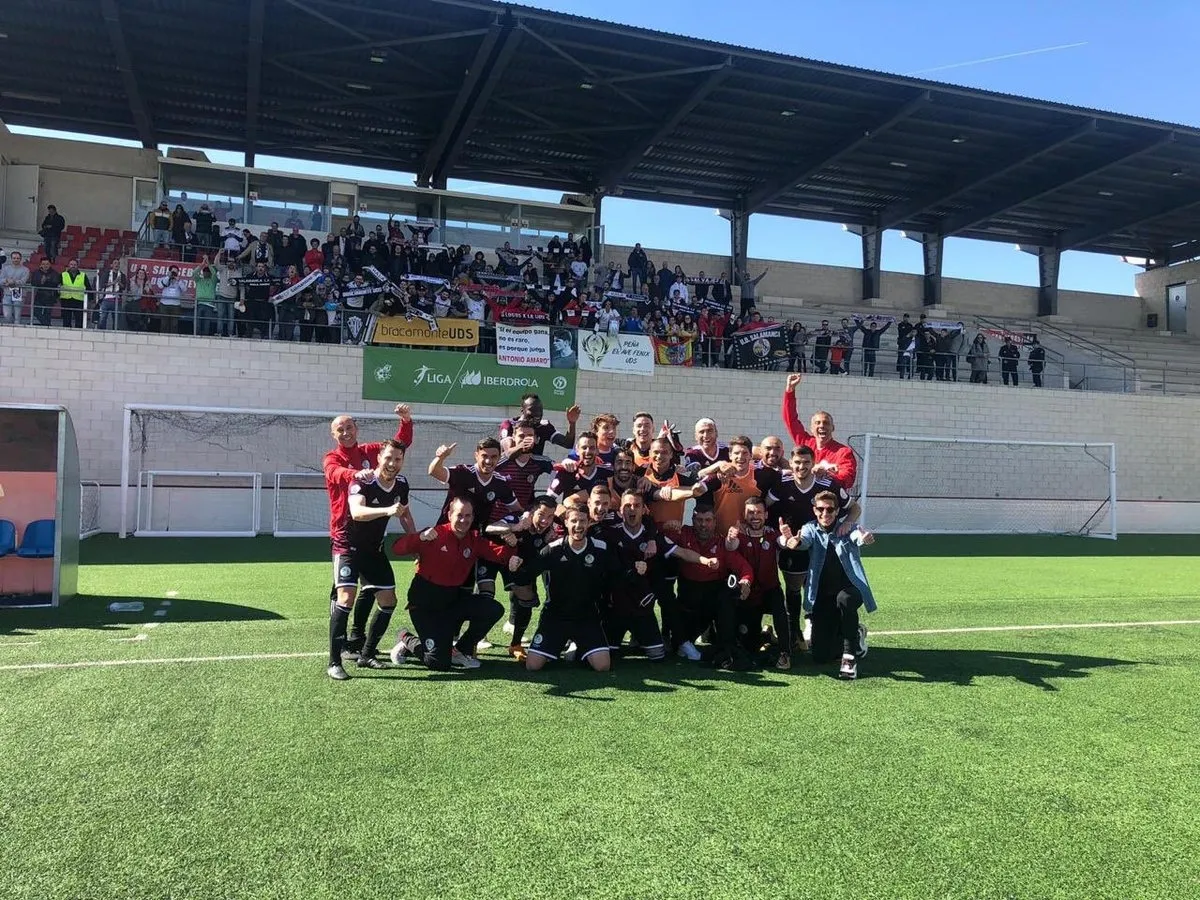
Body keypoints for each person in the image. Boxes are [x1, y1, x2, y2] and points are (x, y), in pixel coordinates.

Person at [322, 405, 414, 660]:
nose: (345, 432)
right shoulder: (333, 458)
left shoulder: (368, 452)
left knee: (370, 589)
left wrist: (406, 421)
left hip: (373, 536)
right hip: (345, 531)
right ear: (334, 434)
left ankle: (358, 641)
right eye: (340, 429)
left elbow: (398, 445)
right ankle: (338, 647)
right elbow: (335, 473)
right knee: (343, 593)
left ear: (356, 429)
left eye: (349, 427)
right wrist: (356, 473)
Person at [388, 497, 516, 671]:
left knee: (494, 609)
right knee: (437, 663)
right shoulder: (435, 534)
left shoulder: (474, 539)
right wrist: (419, 537)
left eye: (468, 515)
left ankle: (459, 650)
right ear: (449, 515)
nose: (464, 520)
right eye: (460, 515)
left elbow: (499, 555)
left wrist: (511, 546)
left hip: (452, 602)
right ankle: (406, 638)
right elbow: (396, 548)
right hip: (425, 606)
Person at [780, 491, 877, 680]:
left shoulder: (847, 528)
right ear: (814, 510)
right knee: (821, 656)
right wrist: (793, 541)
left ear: (837, 510)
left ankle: (849, 657)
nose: (825, 513)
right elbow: (803, 541)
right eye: (820, 509)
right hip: (823, 596)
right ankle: (855, 633)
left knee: (845, 599)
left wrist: (864, 538)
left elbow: (858, 535)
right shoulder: (810, 528)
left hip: (850, 589)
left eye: (830, 509)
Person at [671, 506, 753, 665]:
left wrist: (746, 582)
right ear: (693, 521)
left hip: (713, 600)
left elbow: (744, 568)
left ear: (715, 522)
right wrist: (667, 527)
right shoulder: (682, 534)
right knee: (678, 645)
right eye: (699, 520)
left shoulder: (722, 543)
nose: (703, 524)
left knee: (729, 594)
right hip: (689, 601)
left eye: (708, 520)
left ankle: (726, 643)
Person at [485, 495, 559, 660]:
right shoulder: (518, 519)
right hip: (492, 558)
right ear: (531, 512)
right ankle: (473, 643)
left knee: (527, 599)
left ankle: (515, 645)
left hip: (519, 563)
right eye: (541, 514)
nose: (545, 520)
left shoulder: (550, 529)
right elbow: (489, 528)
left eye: (550, 516)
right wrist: (512, 528)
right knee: (485, 594)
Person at [724, 496, 793, 669]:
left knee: (780, 609)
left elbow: (783, 543)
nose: (755, 516)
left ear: (766, 514)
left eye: (759, 512)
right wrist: (730, 538)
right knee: (750, 644)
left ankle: (785, 652)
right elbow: (731, 546)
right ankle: (765, 635)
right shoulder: (738, 533)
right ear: (744, 515)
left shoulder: (771, 533)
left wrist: (788, 538)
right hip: (748, 594)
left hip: (770, 591)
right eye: (751, 512)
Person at [780, 374, 858, 489]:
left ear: (833, 428)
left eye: (826, 423)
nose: (822, 426)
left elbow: (848, 479)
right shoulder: (805, 443)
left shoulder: (843, 452)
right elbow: (790, 420)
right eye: (817, 423)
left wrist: (827, 474)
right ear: (811, 428)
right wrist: (790, 391)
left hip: (827, 503)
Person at [699, 435, 780, 538]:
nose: (740, 457)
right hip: (721, 537)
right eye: (736, 453)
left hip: (748, 539)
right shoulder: (721, 474)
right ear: (730, 455)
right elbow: (698, 477)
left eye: (745, 453)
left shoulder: (761, 475)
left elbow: (784, 473)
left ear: (751, 455)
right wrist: (717, 465)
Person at [498, 393, 580, 456]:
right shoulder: (509, 425)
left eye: (540, 410)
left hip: (531, 474)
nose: (537, 413)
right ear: (522, 410)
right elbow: (508, 454)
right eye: (532, 409)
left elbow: (567, 443)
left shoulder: (543, 427)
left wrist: (572, 423)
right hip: (508, 474)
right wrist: (523, 444)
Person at [57, 258, 89, 329]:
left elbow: (88, 288)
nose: (73, 266)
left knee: (79, 320)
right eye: (71, 264)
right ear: (68, 265)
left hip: (79, 300)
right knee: (66, 320)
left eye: (75, 264)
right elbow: (57, 285)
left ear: (78, 266)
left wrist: (90, 300)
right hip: (66, 300)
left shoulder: (83, 275)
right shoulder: (63, 275)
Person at [0, 251, 29, 325]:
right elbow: (0, 280)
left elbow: (23, 281)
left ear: (21, 259)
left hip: (19, 294)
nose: (16, 260)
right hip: (7, 293)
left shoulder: (25, 270)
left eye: (18, 258)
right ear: (11, 259)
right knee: (7, 315)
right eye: (14, 258)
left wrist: (13, 282)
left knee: (17, 316)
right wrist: (6, 280)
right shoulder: (5, 269)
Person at [28, 257, 59, 326]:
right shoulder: (36, 272)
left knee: (47, 313)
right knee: (36, 311)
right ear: (40, 265)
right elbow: (33, 283)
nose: (45, 266)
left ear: (50, 264)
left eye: (47, 264)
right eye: (43, 264)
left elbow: (56, 283)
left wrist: (46, 281)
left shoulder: (54, 273)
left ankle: (46, 327)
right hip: (39, 295)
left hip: (50, 296)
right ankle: (47, 325)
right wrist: (41, 282)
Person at [895, 313, 914, 378]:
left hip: (908, 343)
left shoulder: (910, 325)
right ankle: (899, 368)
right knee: (900, 356)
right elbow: (900, 332)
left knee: (908, 357)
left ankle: (908, 369)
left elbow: (911, 333)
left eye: (907, 317)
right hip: (901, 342)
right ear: (903, 318)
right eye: (905, 317)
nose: (906, 318)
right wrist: (906, 335)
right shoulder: (900, 324)